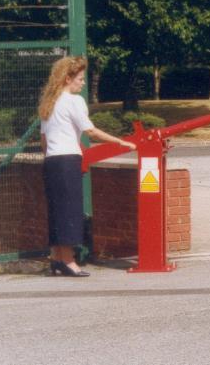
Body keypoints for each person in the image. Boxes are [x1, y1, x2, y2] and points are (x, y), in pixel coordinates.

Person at [38, 55, 135, 277]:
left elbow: (43, 139)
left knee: (57, 210)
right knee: (70, 210)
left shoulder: (48, 103)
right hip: (68, 160)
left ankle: (56, 258)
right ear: (67, 78)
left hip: (52, 161)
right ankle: (68, 261)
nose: (83, 83)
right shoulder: (73, 101)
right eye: (80, 79)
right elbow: (90, 131)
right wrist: (120, 141)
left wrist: (50, 156)